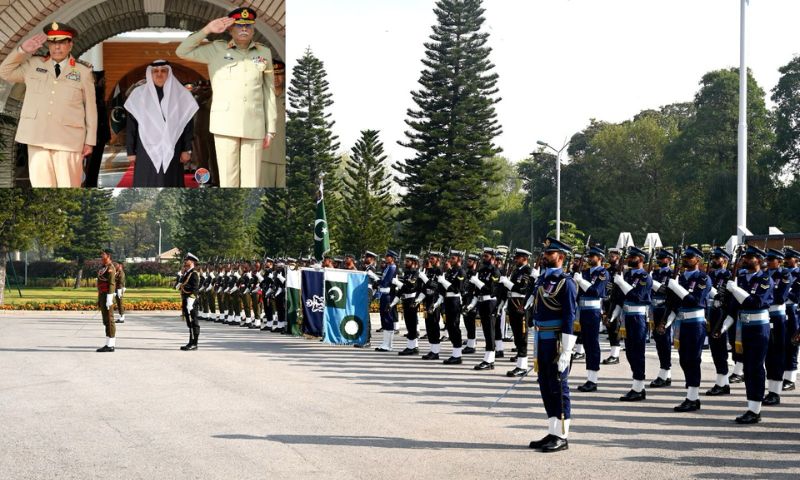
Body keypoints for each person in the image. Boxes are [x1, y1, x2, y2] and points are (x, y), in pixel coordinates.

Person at [176, 7, 278, 187]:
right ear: (230, 29)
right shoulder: (216, 50)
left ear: (253, 28)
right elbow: (182, 51)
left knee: (252, 181)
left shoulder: (264, 53)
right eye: (239, 25)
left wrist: (270, 128)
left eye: (248, 25)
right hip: (225, 124)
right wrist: (207, 30)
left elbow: (268, 90)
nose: (244, 29)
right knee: (228, 180)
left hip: (254, 124)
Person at [0, 22, 97, 187]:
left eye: (61, 42)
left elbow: (91, 109)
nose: (57, 47)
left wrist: (90, 140)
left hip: (68, 139)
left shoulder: (83, 72)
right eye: (53, 42)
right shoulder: (33, 64)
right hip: (38, 137)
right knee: (42, 188)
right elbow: (4, 72)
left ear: (70, 44)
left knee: (69, 186)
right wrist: (22, 51)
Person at [527, 237, 577, 453]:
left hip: (557, 341)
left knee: (559, 387)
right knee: (545, 386)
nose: (545, 256)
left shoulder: (567, 283)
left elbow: (569, 317)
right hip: (542, 339)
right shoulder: (541, 280)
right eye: (545, 253)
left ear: (561, 257)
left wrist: (567, 349)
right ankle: (553, 430)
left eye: (550, 253)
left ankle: (563, 436)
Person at [720, 245, 773, 424]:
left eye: (750, 257)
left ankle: (755, 409)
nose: (745, 259)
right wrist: (724, 326)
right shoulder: (741, 278)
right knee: (747, 368)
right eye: (745, 256)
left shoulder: (766, 279)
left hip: (759, 328)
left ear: (759, 259)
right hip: (743, 327)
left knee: (755, 367)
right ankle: (750, 406)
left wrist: (735, 290)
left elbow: (755, 303)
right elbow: (734, 307)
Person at [124, 60, 197, 187]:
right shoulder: (138, 94)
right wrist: (130, 151)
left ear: (169, 73)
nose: (159, 74)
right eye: (155, 71)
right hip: (145, 149)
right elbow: (131, 125)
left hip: (174, 148)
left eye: (163, 71)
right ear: (150, 74)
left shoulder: (181, 95)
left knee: (171, 183)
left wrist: (187, 149)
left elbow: (187, 124)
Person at [660, 246, 711, 412]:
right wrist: (664, 323)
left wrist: (677, 288)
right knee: (683, 359)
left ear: (698, 260)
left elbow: (694, 300)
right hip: (681, 323)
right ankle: (691, 396)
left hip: (696, 324)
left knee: (692, 359)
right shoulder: (679, 278)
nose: (686, 259)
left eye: (690, 257)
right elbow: (672, 304)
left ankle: (693, 397)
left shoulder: (703, 278)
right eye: (684, 257)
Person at [614, 246, 652, 401]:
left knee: (637, 351)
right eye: (629, 257)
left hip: (638, 317)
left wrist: (622, 283)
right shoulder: (627, 275)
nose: (630, 259)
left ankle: (638, 386)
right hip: (626, 316)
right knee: (629, 352)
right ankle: (638, 385)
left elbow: (637, 296)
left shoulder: (645, 277)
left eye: (633, 257)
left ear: (641, 259)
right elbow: (619, 297)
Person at [572, 246, 608, 392]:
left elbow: (596, 292)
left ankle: (593, 379)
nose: (589, 258)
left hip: (593, 311)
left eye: (592, 256)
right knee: (586, 343)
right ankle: (589, 377)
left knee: (592, 344)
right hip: (581, 310)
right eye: (589, 256)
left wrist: (580, 281)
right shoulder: (584, 272)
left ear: (599, 258)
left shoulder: (603, 273)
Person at [763, 249, 791, 405]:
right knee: (768, 354)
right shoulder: (765, 275)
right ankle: (770, 389)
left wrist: (763, 297)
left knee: (777, 353)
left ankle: (776, 392)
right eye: (767, 259)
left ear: (779, 261)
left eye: (771, 259)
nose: (768, 261)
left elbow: (780, 297)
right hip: (766, 316)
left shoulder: (784, 276)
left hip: (777, 317)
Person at [706, 247, 734, 396]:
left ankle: (722, 383)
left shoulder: (729, 275)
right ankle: (722, 382)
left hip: (721, 314)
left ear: (725, 260)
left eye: (717, 258)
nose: (714, 261)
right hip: (709, 313)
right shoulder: (708, 274)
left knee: (720, 349)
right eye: (713, 258)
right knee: (714, 349)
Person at [500, 249, 533, 377]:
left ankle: (522, 366)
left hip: (520, 304)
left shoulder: (527, 271)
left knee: (522, 335)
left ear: (525, 258)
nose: (515, 260)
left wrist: (508, 283)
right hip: (513, 304)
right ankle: (520, 364)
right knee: (516, 334)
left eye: (518, 258)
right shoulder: (516, 271)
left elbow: (523, 289)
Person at [649, 250, 675, 388]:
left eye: (662, 258)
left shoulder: (672, 274)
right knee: (658, 341)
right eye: (658, 258)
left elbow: (665, 290)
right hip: (655, 309)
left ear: (669, 260)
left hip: (665, 309)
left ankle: (665, 372)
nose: (659, 260)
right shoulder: (656, 273)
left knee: (664, 341)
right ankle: (666, 372)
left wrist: (651, 281)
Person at [473, 248, 502, 370]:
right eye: (483, 256)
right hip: (482, 302)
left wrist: (477, 282)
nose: (484, 258)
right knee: (486, 331)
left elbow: (491, 290)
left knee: (490, 331)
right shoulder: (482, 271)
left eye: (486, 256)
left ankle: (489, 360)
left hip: (490, 302)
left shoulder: (495, 272)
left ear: (493, 258)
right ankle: (488, 358)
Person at [84, 70, 110, 187]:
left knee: (94, 164)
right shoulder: (91, 94)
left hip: (99, 134)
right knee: (90, 164)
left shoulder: (98, 95)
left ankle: (90, 183)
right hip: (91, 134)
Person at [441, 250, 466, 365]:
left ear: (459, 260)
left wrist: (444, 282)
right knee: (450, 326)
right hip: (448, 299)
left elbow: (457, 289)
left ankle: (457, 355)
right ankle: (455, 353)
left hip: (455, 300)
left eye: (453, 258)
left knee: (454, 326)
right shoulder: (451, 272)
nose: (451, 260)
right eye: (451, 258)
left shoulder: (461, 272)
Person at [395, 254, 423, 356]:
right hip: (406, 299)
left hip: (412, 299)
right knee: (409, 323)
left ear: (414, 263)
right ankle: (413, 346)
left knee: (411, 323)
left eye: (408, 261)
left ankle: (412, 347)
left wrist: (399, 283)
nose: (405, 263)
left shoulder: (416, 273)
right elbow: (405, 287)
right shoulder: (407, 273)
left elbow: (411, 285)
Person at [602, 248, 623, 365]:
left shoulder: (621, 271)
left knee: (615, 328)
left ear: (618, 257)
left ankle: (615, 355)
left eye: (613, 256)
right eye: (610, 256)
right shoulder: (608, 270)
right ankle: (613, 354)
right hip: (607, 301)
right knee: (610, 328)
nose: (610, 258)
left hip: (617, 302)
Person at [375, 251, 398, 352]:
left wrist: (377, 280)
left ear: (393, 258)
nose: (386, 257)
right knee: (384, 318)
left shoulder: (392, 268)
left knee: (388, 318)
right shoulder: (388, 267)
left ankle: (389, 345)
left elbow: (386, 282)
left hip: (388, 295)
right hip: (384, 294)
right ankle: (385, 343)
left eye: (388, 256)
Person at [783, 248, 800, 391]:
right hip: (783, 310)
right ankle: (784, 375)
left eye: (789, 257)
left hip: (794, 310)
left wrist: (782, 292)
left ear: (796, 259)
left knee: (793, 343)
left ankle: (790, 378)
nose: (786, 260)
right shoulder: (783, 273)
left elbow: (795, 296)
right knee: (782, 343)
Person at [178, 253, 201, 351]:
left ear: (191, 262)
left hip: (191, 301)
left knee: (193, 322)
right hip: (186, 300)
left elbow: (195, 288)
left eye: (187, 260)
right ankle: (190, 342)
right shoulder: (187, 273)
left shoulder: (194, 273)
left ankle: (194, 343)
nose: (185, 262)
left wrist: (191, 300)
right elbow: (181, 284)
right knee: (189, 322)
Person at [96, 248, 117, 352]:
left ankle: (111, 345)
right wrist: (99, 298)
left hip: (107, 296)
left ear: (108, 256)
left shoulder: (111, 268)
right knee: (105, 320)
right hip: (102, 295)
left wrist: (110, 297)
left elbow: (112, 283)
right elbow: (99, 284)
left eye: (103, 255)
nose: (101, 256)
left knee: (109, 320)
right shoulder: (102, 268)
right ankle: (108, 343)